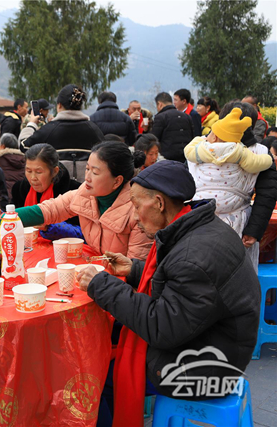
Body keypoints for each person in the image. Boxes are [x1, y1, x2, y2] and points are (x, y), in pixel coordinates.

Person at [76, 161, 260, 427]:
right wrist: (135, 269)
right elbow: (182, 290)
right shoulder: (201, 226)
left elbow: (161, 327)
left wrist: (101, 285)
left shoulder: (193, 257)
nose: (135, 217)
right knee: (110, 338)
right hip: (211, 340)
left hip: (204, 367)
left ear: (160, 203)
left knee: (95, 372)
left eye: (137, 206)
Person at [0, 141, 151, 260]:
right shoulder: (84, 194)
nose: (87, 177)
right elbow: (46, 210)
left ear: (117, 181)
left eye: (95, 172)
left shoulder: (138, 212)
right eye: (87, 169)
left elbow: (134, 269)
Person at [203, 101, 277, 270]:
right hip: (239, 225)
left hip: (202, 221)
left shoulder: (201, 146)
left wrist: (254, 230)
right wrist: (253, 231)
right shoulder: (260, 153)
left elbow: (268, 193)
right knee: (238, 275)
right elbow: (268, 194)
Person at [185, 107, 272, 235]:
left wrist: (199, 139)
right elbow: (256, 163)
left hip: (200, 214)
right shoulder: (240, 151)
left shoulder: (202, 149)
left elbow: (188, 151)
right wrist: (269, 159)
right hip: (234, 220)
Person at [20, 84, 104, 182]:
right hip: (87, 187)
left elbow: (24, 146)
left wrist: (31, 124)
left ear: (59, 105)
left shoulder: (49, 129)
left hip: (56, 188)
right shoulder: (94, 130)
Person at [5, 143, 83, 241]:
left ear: (55, 171)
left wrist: (50, 227)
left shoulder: (74, 191)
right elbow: (13, 221)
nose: (33, 178)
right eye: (29, 171)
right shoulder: (19, 190)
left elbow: (83, 233)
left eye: (38, 172)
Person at [151, 92, 194, 162]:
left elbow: (154, 138)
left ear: (160, 104)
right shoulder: (187, 117)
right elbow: (193, 136)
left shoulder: (160, 117)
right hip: (186, 157)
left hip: (167, 158)